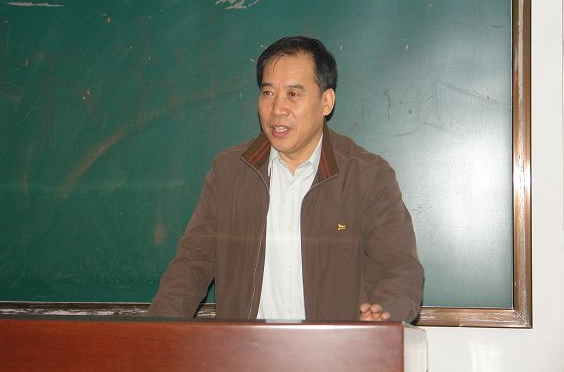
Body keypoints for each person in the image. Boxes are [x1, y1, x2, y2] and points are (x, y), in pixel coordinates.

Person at [149, 36, 423, 322]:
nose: (277, 108)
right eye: (268, 93)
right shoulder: (229, 172)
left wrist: (383, 320)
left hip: (335, 348)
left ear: (326, 102)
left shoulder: (367, 176)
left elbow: (400, 270)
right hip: (245, 347)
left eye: (293, 94)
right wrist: (156, 332)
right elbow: (192, 263)